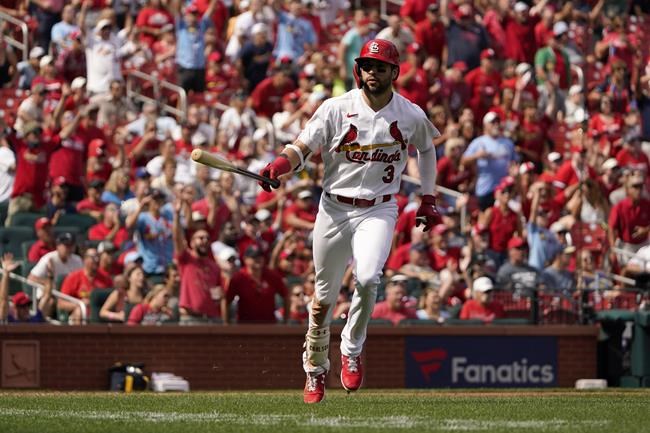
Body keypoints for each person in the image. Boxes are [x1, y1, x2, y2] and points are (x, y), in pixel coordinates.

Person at [257, 39, 441, 403]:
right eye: (368, 66)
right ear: (360, 70)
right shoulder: (335, 108)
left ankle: (352, 348)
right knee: (323, 298)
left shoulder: (409, 113)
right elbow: (302, 148)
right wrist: (279, 166)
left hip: (379, 207)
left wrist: (429, 197)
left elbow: (428, 147)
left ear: (394, 72)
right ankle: (314, 369)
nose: (373, 73)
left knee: (370, 277)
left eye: (381, 67)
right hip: (334, 208)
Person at [172, 198, 223, 324]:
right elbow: (177, 238)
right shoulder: (186, 259)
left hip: (211, 319)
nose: (204, 241)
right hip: (190, 318)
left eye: (207, 238)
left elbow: (217, 293)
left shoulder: (214, 266)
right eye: (200, 238)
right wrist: (177, 215)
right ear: (192, 242)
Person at [1, 253, 50, 323]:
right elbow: (3, 300)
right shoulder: (10, 321)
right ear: (15, 308)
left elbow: (47, 297)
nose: (26, 309)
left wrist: (50, 276)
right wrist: (6, 273)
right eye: (22, 306)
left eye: (27, 305)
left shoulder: (34, 320)